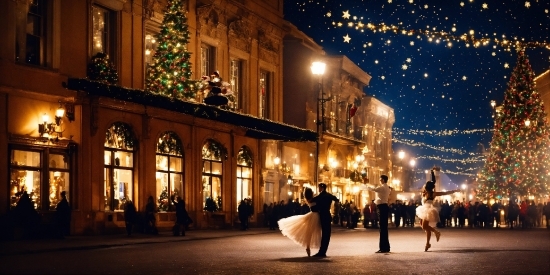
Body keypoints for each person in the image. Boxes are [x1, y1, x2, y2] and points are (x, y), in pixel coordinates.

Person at [416, 169, 459, 251]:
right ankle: (428, 243)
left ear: (427, 186)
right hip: (423, 209)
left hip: (428, 210)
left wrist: (455, 191)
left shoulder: (433, 194)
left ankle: (436, 232)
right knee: (425, 227)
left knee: (425, 226)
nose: (424, 185)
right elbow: (433, 181)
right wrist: (432, 173)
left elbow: (444, 193)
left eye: (426, 185)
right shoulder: (424, 192)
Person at [277, 187, 322, 257]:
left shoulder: (308, 199)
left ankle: (308, 247)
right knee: (314, 232)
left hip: (312, 215)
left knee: (309, 233)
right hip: (315, 216)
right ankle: (312, 248)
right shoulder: (313, 199)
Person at [311, 183, 339, 257]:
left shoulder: (320, 196)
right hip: (327, 215)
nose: (318, 189)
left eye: (319, 187)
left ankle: (322, 252)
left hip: (322, 215)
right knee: (326, 234)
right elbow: (336, 199)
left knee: (325, 234)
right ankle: (323, 251)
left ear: (322, 188)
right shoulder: (328, 195)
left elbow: (313, 202)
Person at [367, 175, 392, 253]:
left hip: (381, 207)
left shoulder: (382, 187)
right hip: (384, 206)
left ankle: (383, 247)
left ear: (383, 180)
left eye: (380, 179)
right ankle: (386, 247)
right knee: (384, 227)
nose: (380, 180)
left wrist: (366, 184)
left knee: (382, 227)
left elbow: (373, 189)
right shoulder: (387, 188)